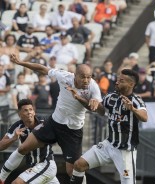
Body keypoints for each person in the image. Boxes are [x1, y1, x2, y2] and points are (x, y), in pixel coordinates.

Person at [0, 54, 103, 183]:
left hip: (73, 131)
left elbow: (100, 110)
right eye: (83, 77)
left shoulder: (93, 87)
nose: (86, 80)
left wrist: (85, 100)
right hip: (54, 123)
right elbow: (42, 68)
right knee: (23, 148)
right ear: (75, 75)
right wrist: (21, 63)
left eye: (89, 77)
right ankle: (1, 177)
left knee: (73, 171)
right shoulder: (65, 76)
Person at [69, 69, 148, 184]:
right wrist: (81, 99)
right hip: (108, 145)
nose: (117, 82)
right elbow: (99, 110)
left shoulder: (136, 100)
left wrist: (133, 109)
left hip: (125, 150)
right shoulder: (111, 97)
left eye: (121, 81)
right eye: (117, 80)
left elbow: (144, 117)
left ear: (131, 84)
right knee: (79, 165)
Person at [0, 99, 59, 184]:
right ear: (19, 114)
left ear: (34, 112)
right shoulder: (17, 126)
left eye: (31, 110)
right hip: (34, 168)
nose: (29, 112)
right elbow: (1, 146)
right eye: (25, 110)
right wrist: (13, 138)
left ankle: (2, 177)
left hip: (46, 164)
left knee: (17, 183)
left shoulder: (44, 123)